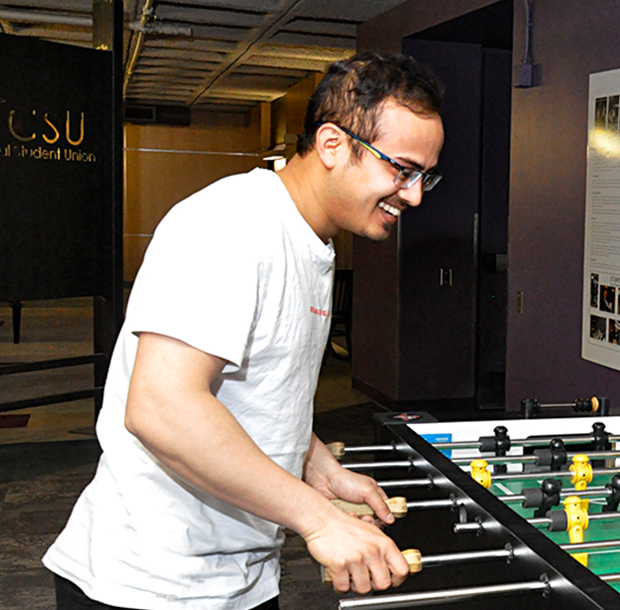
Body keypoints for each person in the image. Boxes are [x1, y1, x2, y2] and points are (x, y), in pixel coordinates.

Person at [43, 52, 445, 609]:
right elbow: (161, 407)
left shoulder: (310, 241)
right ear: (332, 145)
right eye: (400, 169)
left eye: (425, 174)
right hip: (150, 588)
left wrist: (314, 464)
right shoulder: (232, 224)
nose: (415, 194)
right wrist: (319, 520)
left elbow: (253, 390)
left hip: (241, 578)